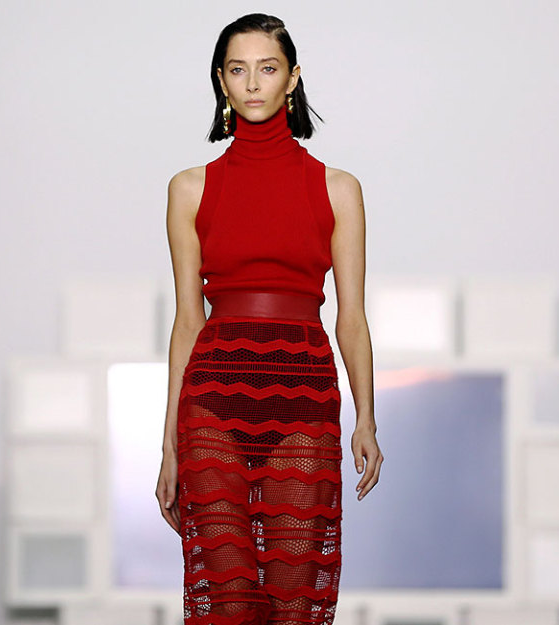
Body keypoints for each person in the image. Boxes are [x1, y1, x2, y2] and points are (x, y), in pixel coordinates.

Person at [156, 14, 383, 625]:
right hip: (212, 400)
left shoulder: (338, 189)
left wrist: (365, 417)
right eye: (238, 70)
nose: (253, 83)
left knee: (292, 599)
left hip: (303, 396)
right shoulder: (189, 189)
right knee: (227, 600)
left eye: (268, 68)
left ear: (293, 78)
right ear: (221, 81)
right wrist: (169, 445)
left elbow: (352, 319)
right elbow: (187, 320)